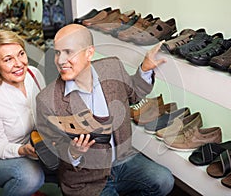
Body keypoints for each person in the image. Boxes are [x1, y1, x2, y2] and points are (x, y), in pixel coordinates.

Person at [36, 24, 174, 196]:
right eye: (57, 52)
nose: (60, 60)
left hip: (122, 161)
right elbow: (53, 155)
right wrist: (73, 152)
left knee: (164, 180)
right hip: (85, 179)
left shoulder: (112, 67)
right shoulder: (46, 100)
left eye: (68, 52)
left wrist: (145, 69)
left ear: (89, 53)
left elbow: (134, 94)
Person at [0, 30, 47, 196]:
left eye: (21, 54)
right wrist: (23, 150)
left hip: (33, 146)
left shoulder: (34, 74)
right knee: (30, 177)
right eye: (8, 59)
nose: (19, 63)